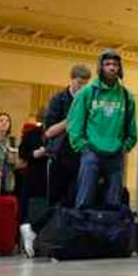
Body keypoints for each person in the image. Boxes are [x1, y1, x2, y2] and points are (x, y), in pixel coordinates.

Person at [68, 50, 137, 210]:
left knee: (113, 203)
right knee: (84, 200)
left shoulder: (126, 96)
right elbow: (75, 123)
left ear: (120, 68)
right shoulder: (87, 92)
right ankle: (81, 233)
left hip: (116, 154)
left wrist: (125, 146)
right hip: (91, 153)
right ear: (101, 67)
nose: (112, 68)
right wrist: (83, 147)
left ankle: (109, 234)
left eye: (115, 64)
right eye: (107, 64)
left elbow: (131, 129)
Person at [43, 64, 92, 207]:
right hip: (59, 156)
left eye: (86, 84)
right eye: (79, 83)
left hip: (82, 157)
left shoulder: (89, 102)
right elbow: (48, 132)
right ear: (71, 80)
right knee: (56, 201)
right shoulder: (58, 99)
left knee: (75, 201)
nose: (82, 88)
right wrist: (72, 119)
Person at [17, 111, 48, 258]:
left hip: (52, 176)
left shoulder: (61, 133)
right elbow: (22, 152)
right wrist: (34, 154)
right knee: (30, 206)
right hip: (35, 174)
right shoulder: (32, 133)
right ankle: (29, 235)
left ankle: (42, 242)